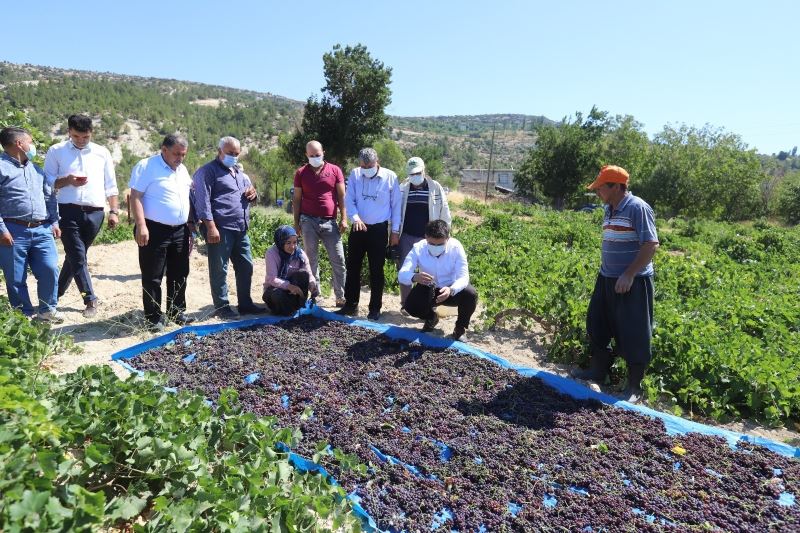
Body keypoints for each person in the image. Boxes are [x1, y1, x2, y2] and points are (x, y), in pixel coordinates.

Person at [573, 165, 659, 403]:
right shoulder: (609, 209)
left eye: (600, 187)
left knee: (634, 332)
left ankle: (634, 385)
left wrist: (629, 274)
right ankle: (598, 371)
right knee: (597, 322)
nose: (597, 191)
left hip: (633, 281)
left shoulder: (637, 208)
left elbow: (650, 245)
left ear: (616, 187)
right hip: (607, 277)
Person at [44, 114, 120, 318]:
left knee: (75, 257)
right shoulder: (56, 151)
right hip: (67, 210)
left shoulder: (101, 152)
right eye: (77, 136)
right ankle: (90, 299)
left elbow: (111, 185)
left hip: (96, 212)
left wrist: (113, 211)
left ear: (91, 133)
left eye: (85, 137)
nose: (81, 141)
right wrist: (67, 180)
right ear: (69, 131)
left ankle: (55, 294)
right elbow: (47, 182)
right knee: (78, 255)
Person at [193, 136, 265, 319]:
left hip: (240, 228)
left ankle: (245, 303)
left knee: (246, 266)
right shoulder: (207, 171)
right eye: (230, 153)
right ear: (219, 151)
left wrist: (253, 194)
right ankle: (222, 307)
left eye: (236, 154)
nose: (233, 156)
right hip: (220, 227)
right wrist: (210, 226)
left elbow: (249, 194)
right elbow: (203, 201)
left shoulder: (239, 172)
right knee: (219, 269)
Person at [129, 134, 196, 330]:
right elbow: (135, 197)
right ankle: (153, 317)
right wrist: (141, 225)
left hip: (180, 230)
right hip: (153, 229)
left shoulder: (182, 170)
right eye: (176, 154)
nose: (180, 158)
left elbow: (186, 199)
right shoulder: (146, 166)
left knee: (180, 272)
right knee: (153, 275)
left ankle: (176, 311)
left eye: (183, 154)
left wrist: (190, 226)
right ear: (164, 149)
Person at [0, 127, 62, 322]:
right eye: (30, 141)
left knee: (50, 268)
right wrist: (1, 229)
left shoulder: (35, 169)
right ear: (19, 144)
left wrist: (54, 221)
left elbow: (49, 196)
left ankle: (47, 311)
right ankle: (23, 315)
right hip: (13, 230)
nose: (32, 145)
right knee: (16, 277)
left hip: (42, 229)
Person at [338, 147, 401, 320]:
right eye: (364, 166)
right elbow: (349, 200)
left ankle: (375, 308)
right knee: (353, 267)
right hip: (358, 228)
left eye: (370, 166)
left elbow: (396, 206)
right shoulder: (355, 174)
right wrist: (355, 218)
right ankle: (350, 304)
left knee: (376, 270)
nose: (367, 169)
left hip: (379, 229)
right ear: (360, 164)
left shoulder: (390, 177)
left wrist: (394, 231)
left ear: (377, 161)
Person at [398, 219, 477, 340]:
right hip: (428, 287)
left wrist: (451, 290)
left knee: (470, 294)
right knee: (410, 306)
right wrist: (414, 277)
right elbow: (402, 274)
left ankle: (460, 328)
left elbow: (464, 277)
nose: (436, 247)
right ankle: (431, 317)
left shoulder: (456, 247)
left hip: (451, 289)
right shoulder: (418, 248)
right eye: (432, 244)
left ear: (448, 238)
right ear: (426, 237)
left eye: (440, 244)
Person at [292, 140, 347, 306]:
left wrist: (344, 218)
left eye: (317, 154)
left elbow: (341, 196)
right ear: (306, 155)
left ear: (323, 152)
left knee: (338, 259)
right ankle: (316, 295)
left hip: (330, 221)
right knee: (311, 260)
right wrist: (296, 223)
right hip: (308, 220)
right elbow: (296, 199)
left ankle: (340, 296)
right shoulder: (301, 173)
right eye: (311, 155)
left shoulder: (335, 170)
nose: (315, 157)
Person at [396, 156, 451, 310]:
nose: (414, 176)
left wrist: (445, 233)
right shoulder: (403, 188)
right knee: (406, 269)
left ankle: (431, 304)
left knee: (431, 271)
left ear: (424, 170)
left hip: (429, 238)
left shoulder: (435, 187)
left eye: (417, 173)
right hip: (407, 235)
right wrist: (393, 233)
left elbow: (444, 211)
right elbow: (396, 212)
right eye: (411, 174)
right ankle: (406, 303)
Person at [263, 225, 318, 316]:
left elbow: (309, 273)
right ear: (280, 242)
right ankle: (282, 309)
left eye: (295, 242)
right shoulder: (271, 253)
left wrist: (312, 283)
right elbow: (272, 279)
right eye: (288, 243)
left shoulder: (300, 254)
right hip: (275, 289)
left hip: (295, 292)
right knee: (278, 295)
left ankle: (298, 304)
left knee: (303, 274)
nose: (292, 247)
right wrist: (289, 286)